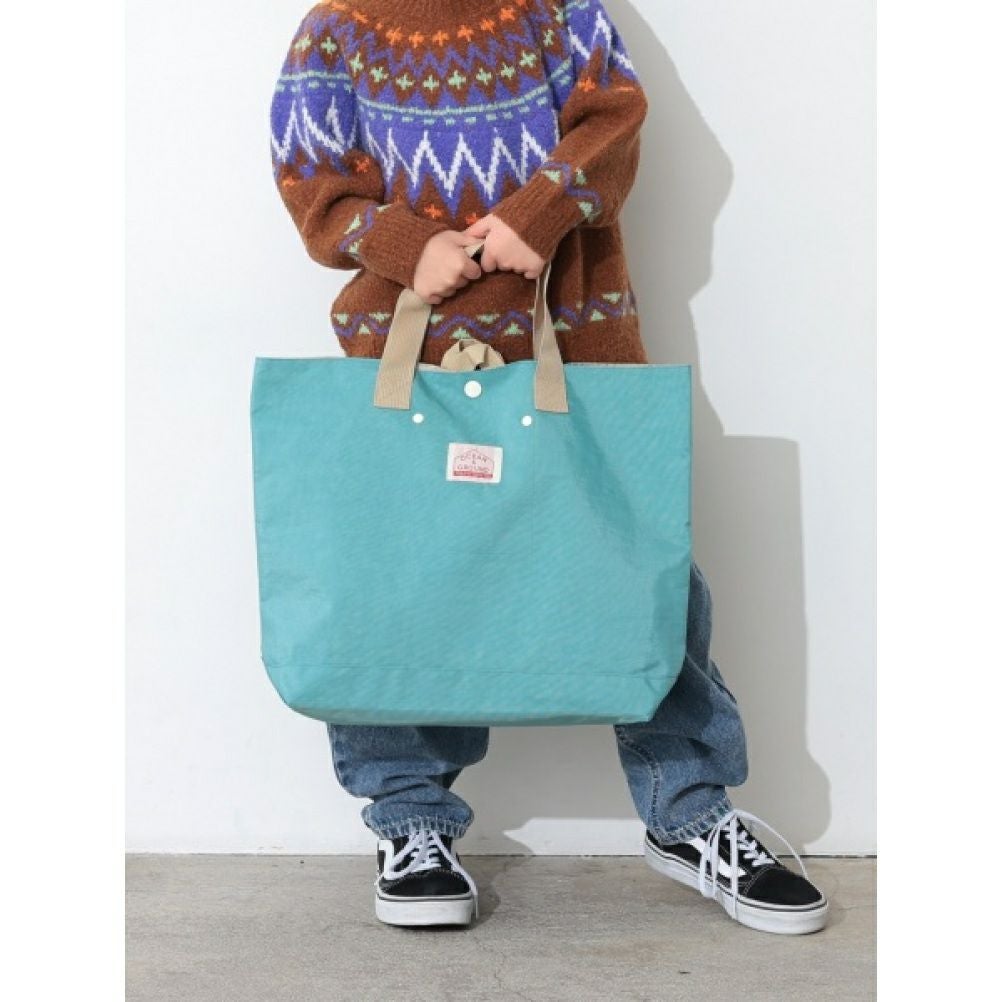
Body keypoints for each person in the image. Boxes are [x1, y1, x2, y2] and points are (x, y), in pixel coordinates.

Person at [269, 0, 828, 935]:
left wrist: (541, 211)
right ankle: (409, 819)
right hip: (405, 355)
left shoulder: (556, 10)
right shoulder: (337, 27)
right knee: (398, 583)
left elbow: (615, 114)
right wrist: (404, 244)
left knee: (638, 572)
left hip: (578, 337)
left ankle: (689, 811)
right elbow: (312, 181)